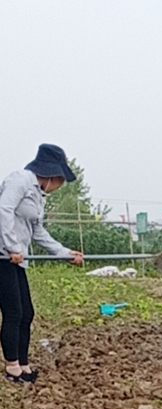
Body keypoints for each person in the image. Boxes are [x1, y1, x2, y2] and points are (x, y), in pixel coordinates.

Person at [0, 144, 84, 384]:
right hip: (3, 256)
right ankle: (12, 369)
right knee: (13, 312)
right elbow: (3, 210)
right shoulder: (20, 180)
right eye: (60, 180)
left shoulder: (39, 196)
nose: (60, 186)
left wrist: (64, 253)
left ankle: (23, 364)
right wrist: (12, 247)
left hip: (17, 259)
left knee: (27, 313)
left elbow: (38, 231)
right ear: (51, 175)